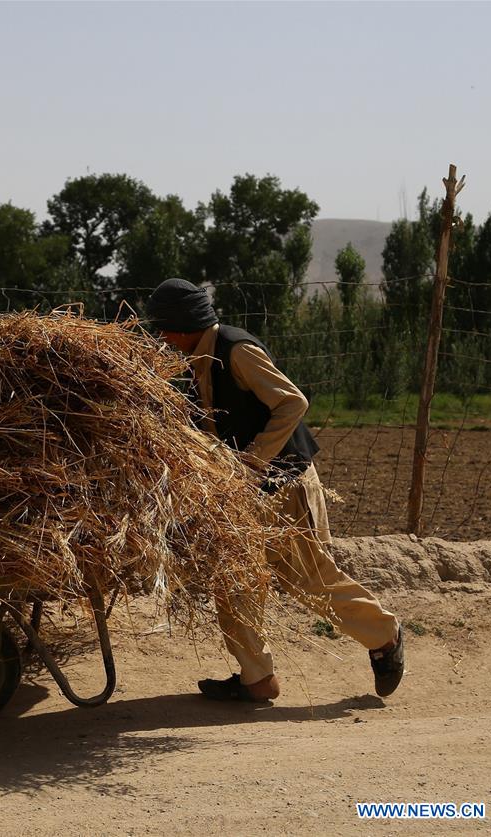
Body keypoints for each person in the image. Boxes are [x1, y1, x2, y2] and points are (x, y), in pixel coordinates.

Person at [145, 277, 404, 702]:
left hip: (282, 482)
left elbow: (292, 402)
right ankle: (257, 679)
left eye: (165, 328)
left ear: (186, 322)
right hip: (244, 493)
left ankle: (385, 636)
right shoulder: (197, 359)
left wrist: (253, 461)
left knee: (309, 578)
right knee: (233, 582)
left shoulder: (236, 349)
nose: (163, 337)